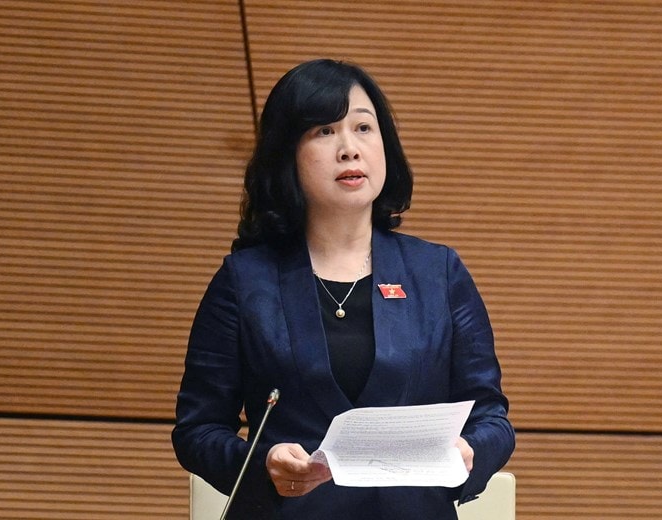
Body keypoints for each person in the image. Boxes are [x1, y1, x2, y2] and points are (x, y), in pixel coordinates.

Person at [172, 58, 515, 520]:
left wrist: (471, 451)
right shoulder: (245, 280)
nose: (349, 149)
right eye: (324, 132)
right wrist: (262, 464)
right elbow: (198, 429)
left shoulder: (438, 272)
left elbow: (491, 418)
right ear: (287, 153)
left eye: (363, 128)